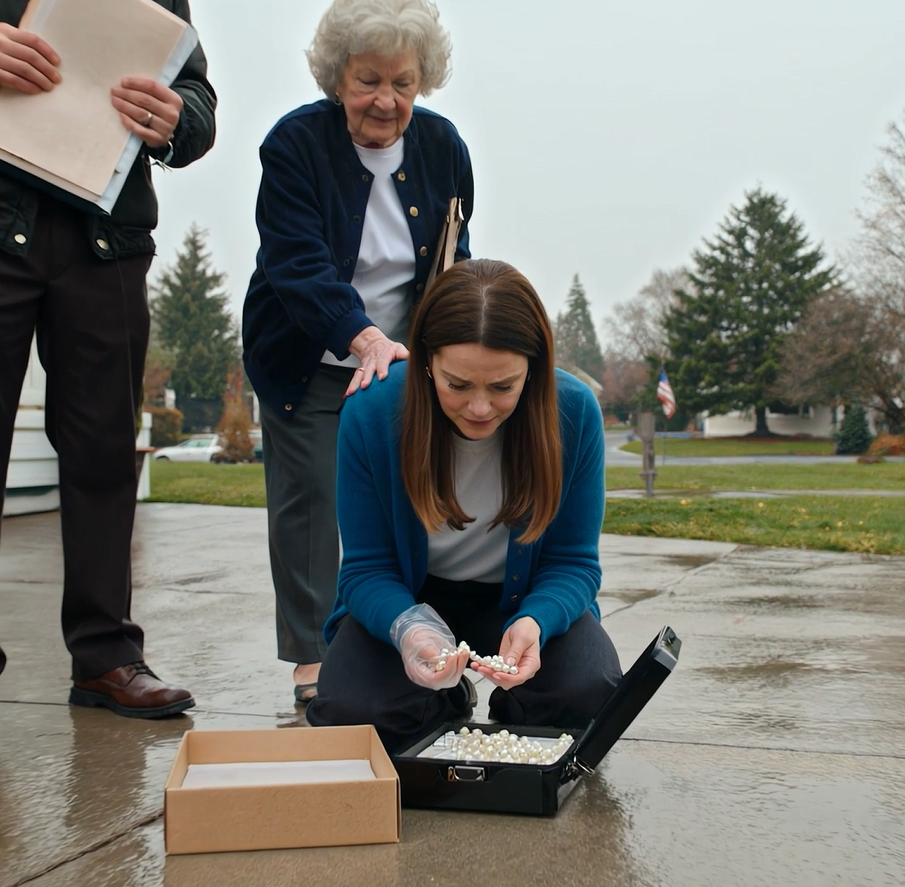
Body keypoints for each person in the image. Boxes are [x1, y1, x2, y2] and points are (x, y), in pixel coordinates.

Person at [242, 0, 473, 705]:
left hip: (402, 359)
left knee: (406, 500)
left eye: (402, 83)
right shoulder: (294, 145)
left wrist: (454, 345)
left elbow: (452, 256)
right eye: (368, 80)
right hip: (306, 352)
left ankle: (409, 639)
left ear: (422, 82)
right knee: (311, 500)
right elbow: (298, 263)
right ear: (336, 75)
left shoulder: (442, 146)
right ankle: (313, 661)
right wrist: (361, 335)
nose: (385, 100)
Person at [306, 260, 623, 753]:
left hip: (520, 604)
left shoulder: (574, 412)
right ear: (427, 360)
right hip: (410, 600)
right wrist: (408, 629)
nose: (479, 408)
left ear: (533, 369)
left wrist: (537, 621)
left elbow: (574, 564)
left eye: (503, 387)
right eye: (457, 385)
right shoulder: (371, 411)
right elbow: (366, 570)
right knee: (353, 715)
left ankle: (512, 699)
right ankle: (445, 699)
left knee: (590, 696)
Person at [0, 0, 216, 717]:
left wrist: (175, 116)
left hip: (106, 241)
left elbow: (197, 99)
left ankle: (106, 655)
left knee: (102, 452)